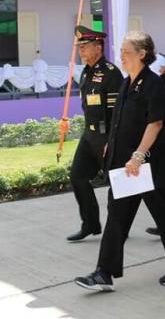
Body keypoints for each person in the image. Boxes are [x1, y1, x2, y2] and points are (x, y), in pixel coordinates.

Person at [75, 31, 165, 291]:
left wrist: (138, 155)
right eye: (121, 52)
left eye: (126, 52)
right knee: (117, 216)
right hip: (128, 167)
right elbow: (119, 121)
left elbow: (155, 123)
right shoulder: (127, 82)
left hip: (149, 165)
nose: (122, 57)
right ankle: (104, 273)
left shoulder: (154, 84)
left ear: (142, 53)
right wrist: (111, 145)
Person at [66, 25, 123, 242]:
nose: (81, 50)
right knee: (78, 177)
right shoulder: (86, 72)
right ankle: (90, 224)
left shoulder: (111, 73)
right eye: (79, 46)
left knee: (119, 185)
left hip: (106, 136)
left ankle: (123, 226)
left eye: (85, 46)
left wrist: (111, 140)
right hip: (89, 135)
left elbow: (117, 112)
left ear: (98, 47)